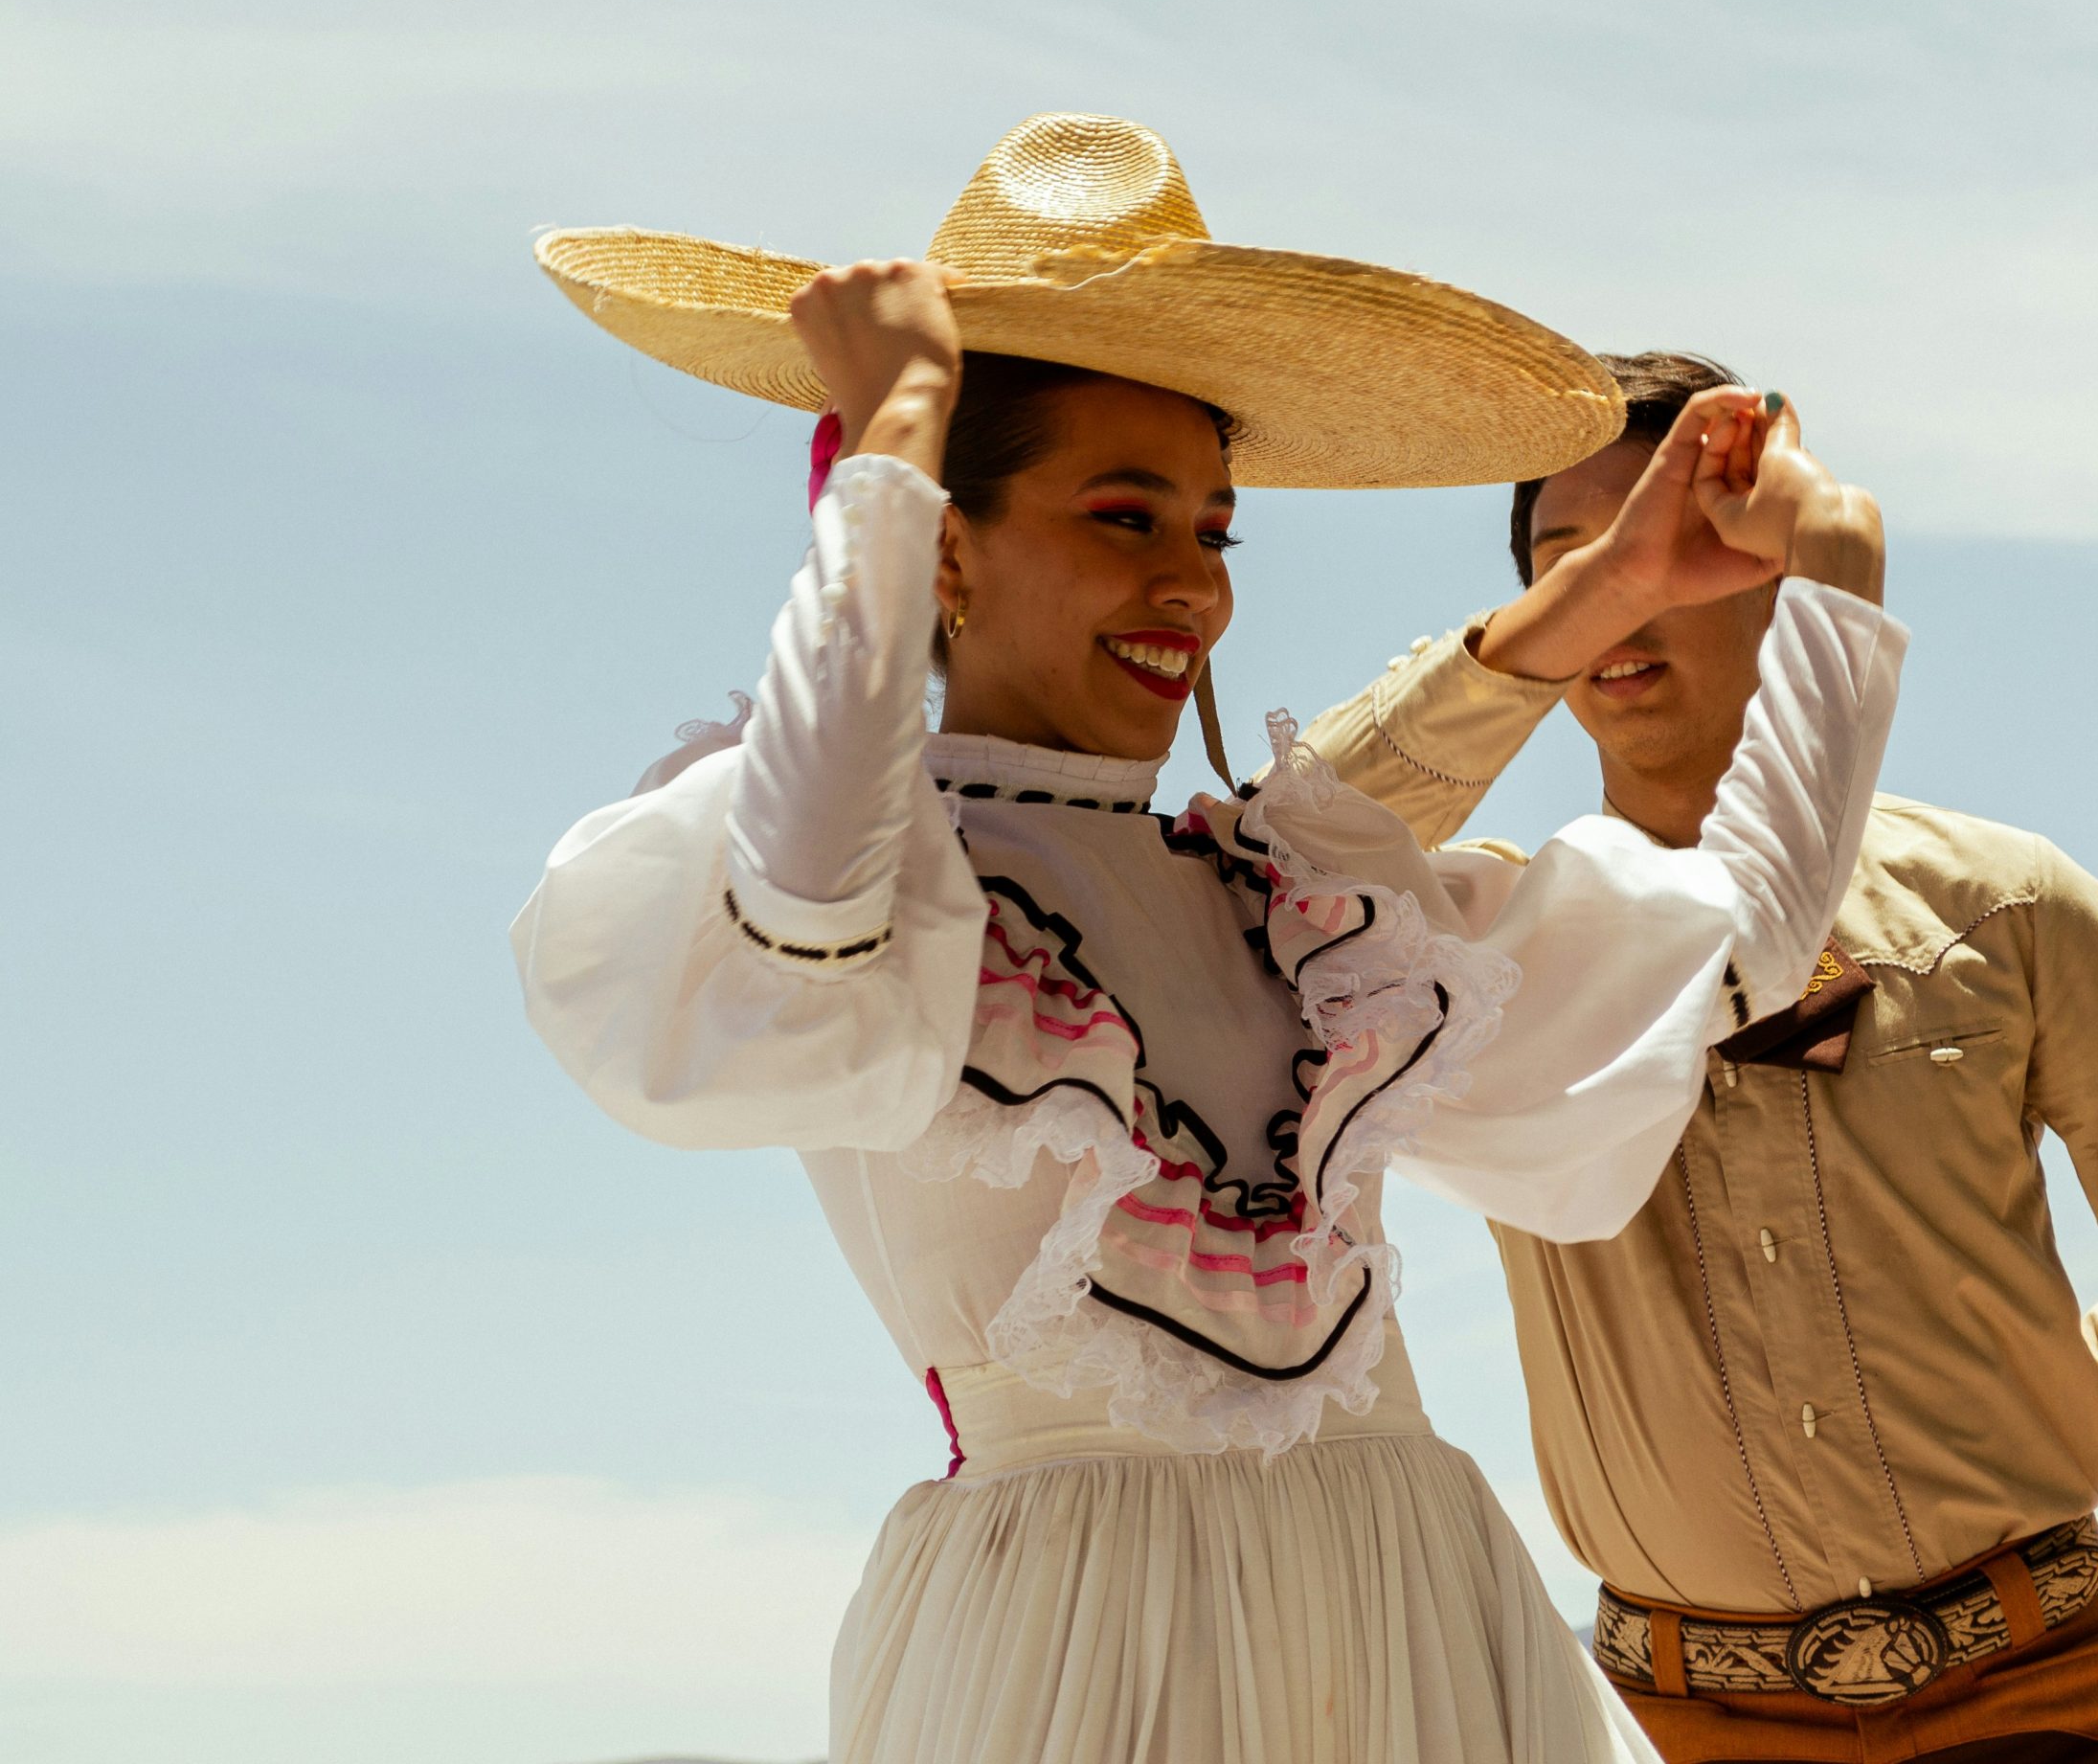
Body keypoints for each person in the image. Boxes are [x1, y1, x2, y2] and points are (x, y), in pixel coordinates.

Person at [511, 119, 1907, 1764]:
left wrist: (1830, 583)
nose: (1195, 586)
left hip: (1411, 1615)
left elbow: (1737, 946)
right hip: (1084, 1654)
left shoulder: (1297, 902)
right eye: (1127, 517)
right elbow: (809, 893)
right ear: (946, 548)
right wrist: (888, 448)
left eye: (1216, 530)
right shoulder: (879, 877)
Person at [1304, 349, 2098, 1764]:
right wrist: (1582, 604)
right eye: (1574, 560)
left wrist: (2018, 1420)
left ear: (1773, 566)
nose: (1628, 587)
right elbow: (1287, 853)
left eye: (1674, 544)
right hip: (1675, 1722)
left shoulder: (2002, 904)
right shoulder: (1482, 953)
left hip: (2033, 1689)